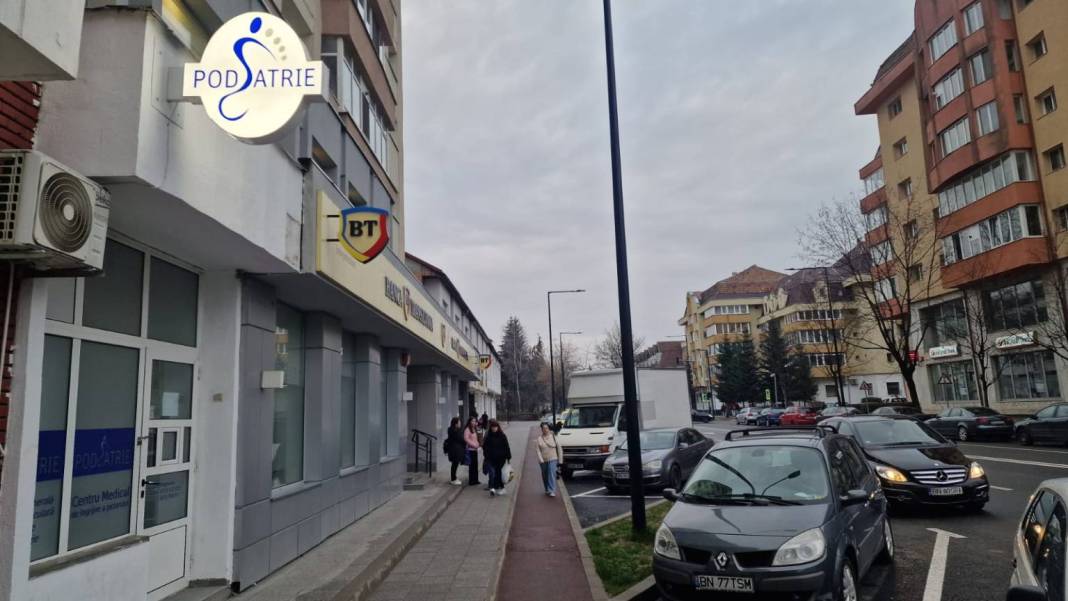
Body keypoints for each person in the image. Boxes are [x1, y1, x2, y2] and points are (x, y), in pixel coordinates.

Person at [482, 420, 512, 496]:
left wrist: (508, 457)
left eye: (495, 427)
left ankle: (501, 488)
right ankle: (494, 487)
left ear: (498, 427)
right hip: (491, 458)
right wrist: (486, 456)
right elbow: (485, 447)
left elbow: (506, 446)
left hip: (500, 458)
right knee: (493, 472)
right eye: (492, 427)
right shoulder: (489, 437)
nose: (494, 428)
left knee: (498, 473)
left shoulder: (502, 436)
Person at [536, 422, 563, 497]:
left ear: (549, 429)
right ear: (541, 429)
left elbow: (559, 448)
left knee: (551, 473)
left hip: (553, 458)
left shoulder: (554, 437)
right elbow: (538, 450)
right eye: (543, 428)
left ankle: (551, 490)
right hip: (543, 460)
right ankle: (547, 489)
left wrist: (560, 461)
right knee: (545, 475)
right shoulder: (539, 439)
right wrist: (541, 459)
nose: (545, 430)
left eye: (546, 428)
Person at [445, 417, 466, 486]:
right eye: (459, 423)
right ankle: (453, 479)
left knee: (455, 465)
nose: (460, 424)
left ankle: (454, 478)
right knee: (454, 465)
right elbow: (461, 439)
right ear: (455, 424)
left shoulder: (453, 430)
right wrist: (465, 442)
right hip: (455, 451)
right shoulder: (455, 431)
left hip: (455, 450)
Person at [464, 416, 481, 486]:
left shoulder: (474, 429)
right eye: (472, 421)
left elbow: (476, 438)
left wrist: (478, 444)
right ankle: (471, 481)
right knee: (471, 466)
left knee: (475, 465)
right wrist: (474, 445)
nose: (474, 422)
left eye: (474, 421)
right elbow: (466, 439)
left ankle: (476, 480)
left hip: (475, 450)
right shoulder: (467, 429)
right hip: (470, 450)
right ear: (469, 422)